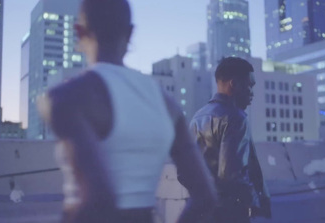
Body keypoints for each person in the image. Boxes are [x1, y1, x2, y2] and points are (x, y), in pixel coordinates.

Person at [37, 0, 217, 222]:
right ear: (130, 32)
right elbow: (206, 197)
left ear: (78, 30)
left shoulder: (67, 96)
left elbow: (97, 201)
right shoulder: (166, 103)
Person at [189, 57, 271, 223]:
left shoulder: (197, 118)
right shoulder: (236, 118)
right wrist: (256, 201)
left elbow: (184, 172)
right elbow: (232, 175)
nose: (252, 92)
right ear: (234, 84)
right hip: (231, 212)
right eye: (249, 85)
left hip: (203, 211)